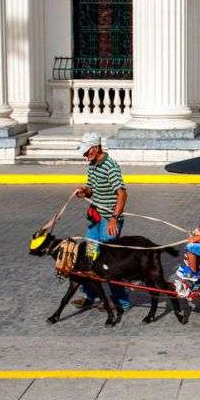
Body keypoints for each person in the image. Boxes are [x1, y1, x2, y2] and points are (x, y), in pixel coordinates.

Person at [70, 132, 131, 312]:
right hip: (97, 219)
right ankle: (91, 294)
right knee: (89, 256)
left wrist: (114, 219)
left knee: (108, 264)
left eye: (86, 151)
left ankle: (122, 302)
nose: (84, 155)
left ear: (96, 149)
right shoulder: (92, 165)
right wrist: (85, 191)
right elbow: (91, 188)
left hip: (108, 221)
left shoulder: (110, 167)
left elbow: (122, 193)